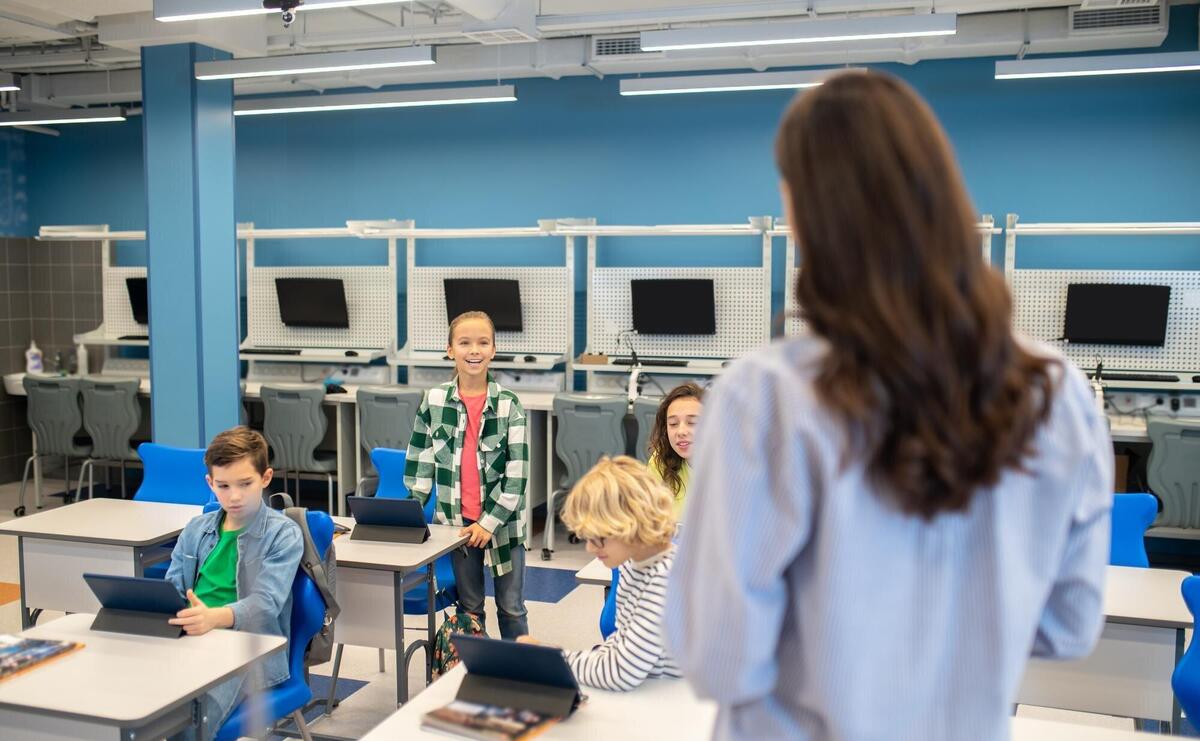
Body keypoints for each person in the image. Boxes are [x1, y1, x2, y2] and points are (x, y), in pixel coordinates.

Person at [666, 71, 1112, 740]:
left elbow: (720, 661)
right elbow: (1069, 627)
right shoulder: (1055, 393)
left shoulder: (769, 395)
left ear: (802, 210)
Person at [165, 427, 304, 740]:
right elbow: (171, 589)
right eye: (224, 486)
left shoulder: (282, 534)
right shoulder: (196, 529)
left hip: (249, 650)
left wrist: (213, 618)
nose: (234, 495)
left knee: (189, 725)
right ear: (210, 483)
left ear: (266, 478)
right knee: (135, 704)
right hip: (190, 638)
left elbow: (266, 604)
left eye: (245, 484)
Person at [406, 310, 530, 639]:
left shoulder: (509, 404)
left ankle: (518, 680)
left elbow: (516, 477)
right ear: (450, 350)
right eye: (464, 343)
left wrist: (489, 523)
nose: (473, 350)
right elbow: (420, 460)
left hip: (504, 526)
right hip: (457, 527)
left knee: (511, 607)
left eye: (482, 342)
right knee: (470, 608)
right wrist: (411, 513)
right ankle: (480, 675)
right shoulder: (433, 401)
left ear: (493, 350)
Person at [519, 456, 681, 691]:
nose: (590, 549)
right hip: (653, 690)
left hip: (681, 706)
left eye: (599, 538)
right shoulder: (633, 563)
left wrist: (550, 660)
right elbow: (620, 641)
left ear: (631, 525)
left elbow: (622, 674)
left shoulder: (666, 580)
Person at [646, 382, 704, 518]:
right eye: (673, 424)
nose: (681, 431)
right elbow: (647, 517)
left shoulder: (733, 466)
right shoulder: (660, 460)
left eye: (692, 423)